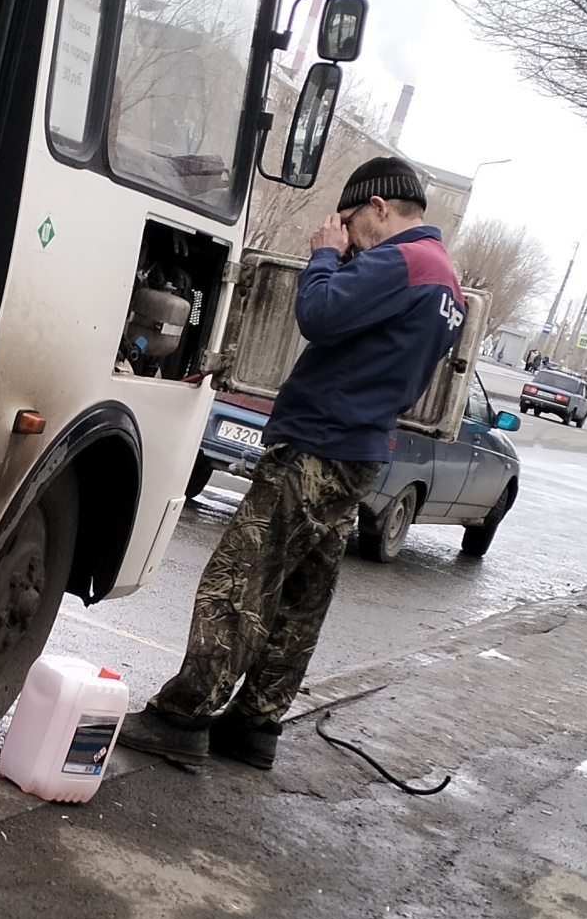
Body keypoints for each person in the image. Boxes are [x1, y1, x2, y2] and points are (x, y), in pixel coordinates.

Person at [120, 156, 466, 771]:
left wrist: (326, 255)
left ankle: (185, 715)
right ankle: (256, 722)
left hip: (317, 445)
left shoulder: (403, 260)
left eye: (351, 220)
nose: (346, 232)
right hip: (360, 451)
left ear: (379, 208)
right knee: (303, 590)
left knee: (240, 574)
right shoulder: (447, 284)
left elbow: (320, 314)